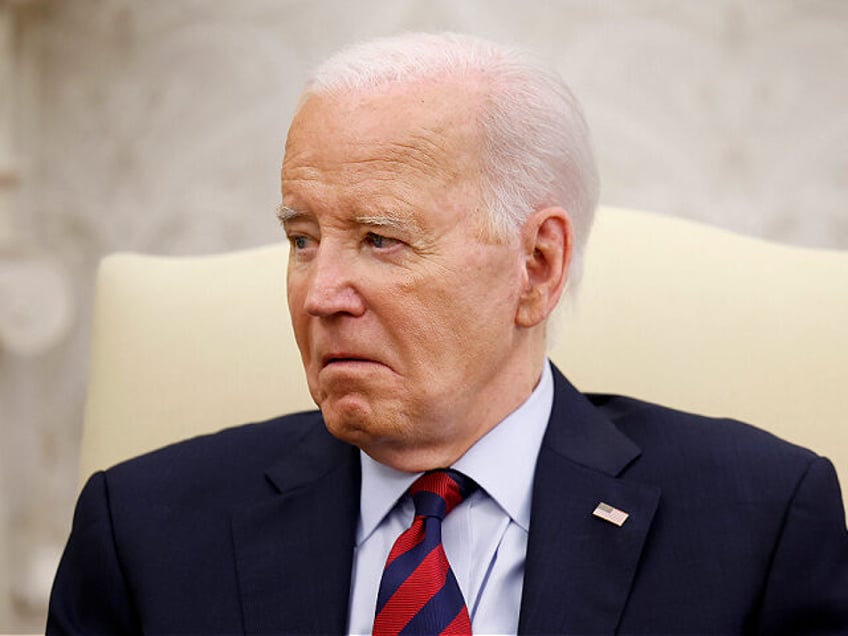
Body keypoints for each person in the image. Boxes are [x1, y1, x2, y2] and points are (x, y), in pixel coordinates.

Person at [48, 32, 847, 635]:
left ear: (536, 266)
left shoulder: (758, 522)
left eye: (381, 239)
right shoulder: (142, 533)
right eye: (301, 238)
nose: (320, 293)